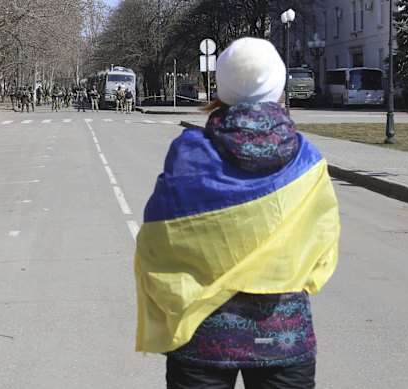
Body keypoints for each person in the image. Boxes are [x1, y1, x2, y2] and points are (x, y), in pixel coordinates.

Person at [134, 37, 341, 389]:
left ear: (222, 87)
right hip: (284, 335)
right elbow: (323, 247)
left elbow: (157, 241)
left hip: (202, 336)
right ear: (279, 86)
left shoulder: (189, 154)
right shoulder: (308, 160)